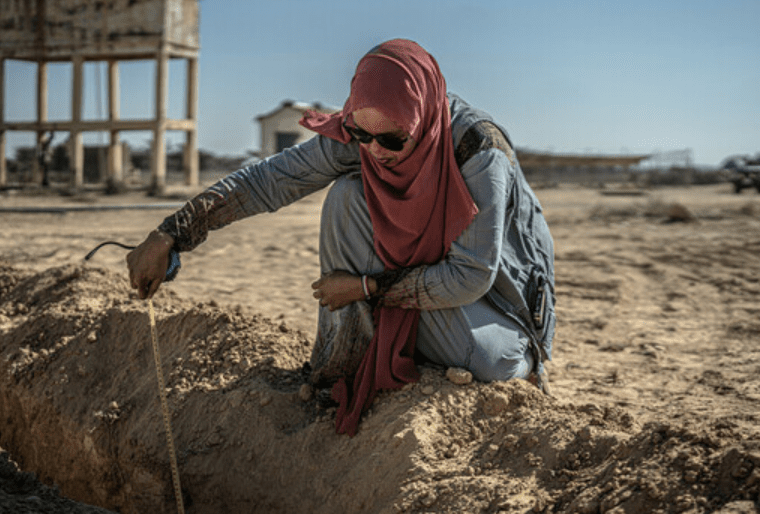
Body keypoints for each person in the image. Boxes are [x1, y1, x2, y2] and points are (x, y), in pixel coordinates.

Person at [126, 39, 556, 436]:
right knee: (347, 194)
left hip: (494, 301)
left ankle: (504, 357)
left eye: (392, 139)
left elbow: (471, 275)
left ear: (422, 118)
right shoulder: (361, 134)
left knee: (491, 363)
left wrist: (365, 289)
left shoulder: (477, 150)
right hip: (414, 286)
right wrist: (172, 234)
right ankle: (339, 367)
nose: (375, 150)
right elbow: (268, 181)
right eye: (362, 136)